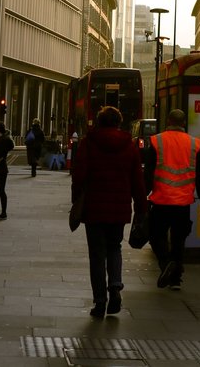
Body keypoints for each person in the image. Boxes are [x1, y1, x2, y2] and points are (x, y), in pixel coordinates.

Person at [71, 106, 148, 318]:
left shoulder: (88, 143)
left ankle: (99, 301)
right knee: (115, 248)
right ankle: (115, 286)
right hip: (119, 208)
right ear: (119, 122)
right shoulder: (129, 146)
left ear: (99, 121)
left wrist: (75, 201)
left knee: (97, 255)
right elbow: (137, 180)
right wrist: (142, 207)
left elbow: (79, 175)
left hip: (94, 208)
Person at [144, 108, 200, 291]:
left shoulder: (157, 141)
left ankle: (166, 264)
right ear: (183, 124)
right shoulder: (193, 144)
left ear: (168, 122)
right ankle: (175, 279)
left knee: (157, 237)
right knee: (179, 239)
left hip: (161, 199)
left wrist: (143, 194)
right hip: (183, 202)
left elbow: (148, 173)